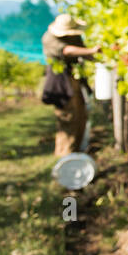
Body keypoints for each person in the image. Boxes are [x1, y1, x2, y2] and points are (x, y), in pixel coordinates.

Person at [42, 14, 99, 156]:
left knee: (80, 115)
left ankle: (76, 151)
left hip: (75, 80)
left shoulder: (74, 36)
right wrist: (92, 51)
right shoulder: (49, 38)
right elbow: (67, 50)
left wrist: (103, 57)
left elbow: (84, 52)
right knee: (68, 117)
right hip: (60, 80)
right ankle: (65, 156)